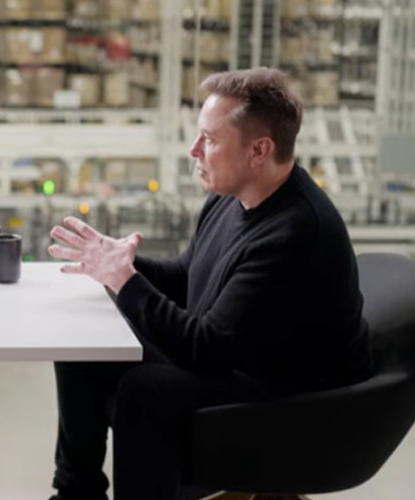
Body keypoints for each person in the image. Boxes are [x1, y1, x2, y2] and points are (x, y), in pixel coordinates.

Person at [47, 67, 372, 500]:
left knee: (145, 391)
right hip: (244, 356)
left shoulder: (295, 232)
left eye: (210, 140)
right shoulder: (230, 196)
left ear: (259, 151)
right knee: (83, 346)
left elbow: (205, 348)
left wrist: (124, 279)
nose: (194, 149)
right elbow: (187, 278)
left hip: (292, 398)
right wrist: (116, 262)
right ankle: (76, 493)